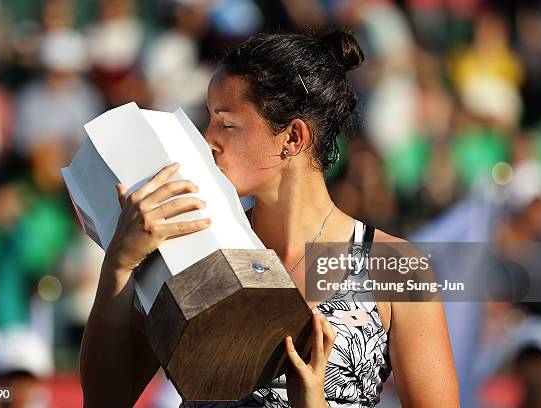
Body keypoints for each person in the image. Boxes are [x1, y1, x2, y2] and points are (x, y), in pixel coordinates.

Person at [79, 30, 459, 407]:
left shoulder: (396, 268)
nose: (206, 140)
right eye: (208, 119)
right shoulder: (192, 240)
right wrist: (120, 263)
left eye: (226, 123)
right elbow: (104, 399)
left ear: (293, 138)